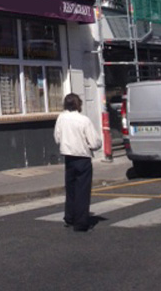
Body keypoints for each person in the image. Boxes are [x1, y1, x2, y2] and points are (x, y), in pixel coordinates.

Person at [54, 93, 102, 232]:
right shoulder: (84, 120)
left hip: (68, 157)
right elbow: (94, 142)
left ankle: (69, 217)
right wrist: (94, 144)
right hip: (82, 157)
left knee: (71, 189)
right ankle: (81, 223)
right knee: (82, 191)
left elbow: (57, 138)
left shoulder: (61, 118)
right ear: (78, 104)